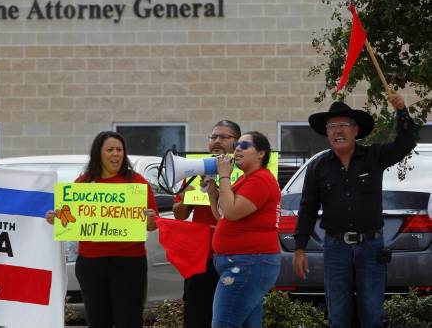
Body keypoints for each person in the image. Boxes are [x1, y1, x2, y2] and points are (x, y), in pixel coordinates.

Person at [293, 91, 416, 328]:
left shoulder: (374, 156)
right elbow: (307, 208)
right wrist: (299, 248)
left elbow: (405, 143)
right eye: (332, 126)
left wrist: (402, 111)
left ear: (356, 130)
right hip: (335, 248)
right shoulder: (318, 167)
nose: (338, 131)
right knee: (338, 316)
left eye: (343, 125)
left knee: (372, 315)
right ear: (326, 133)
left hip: (371, 248)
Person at [46, 131, 158, 327]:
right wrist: (55, 218)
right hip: (91, 264)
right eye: (110, 150)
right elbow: (69, 219)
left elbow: (153, 225)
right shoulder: (84, 183)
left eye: (119, 150)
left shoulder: (137, 182)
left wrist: (150, 219)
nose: (116, 154)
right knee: (98, 321)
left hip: (129, 263)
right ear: (99, 153)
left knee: (129, 320)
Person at [172, 119, 240, 328]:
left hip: (233, 256)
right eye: (213, 137)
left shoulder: (243, 172)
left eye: (224, 137)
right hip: (201, 257)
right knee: (197, 314)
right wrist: (185, 196)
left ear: (237, 143)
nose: (217, 141)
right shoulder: (195, 169)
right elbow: (180, 215)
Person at [211, 131, 281, 328]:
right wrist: (212, 193)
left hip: (248, 263)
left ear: (261, 153)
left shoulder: (259, 180)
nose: (237, 149)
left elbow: (232, 212)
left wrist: (224, 175)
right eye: (236, 146)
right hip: (245, 262)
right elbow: (223, 215)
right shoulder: (247, 179)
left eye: (244, 145)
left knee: (223, 324)